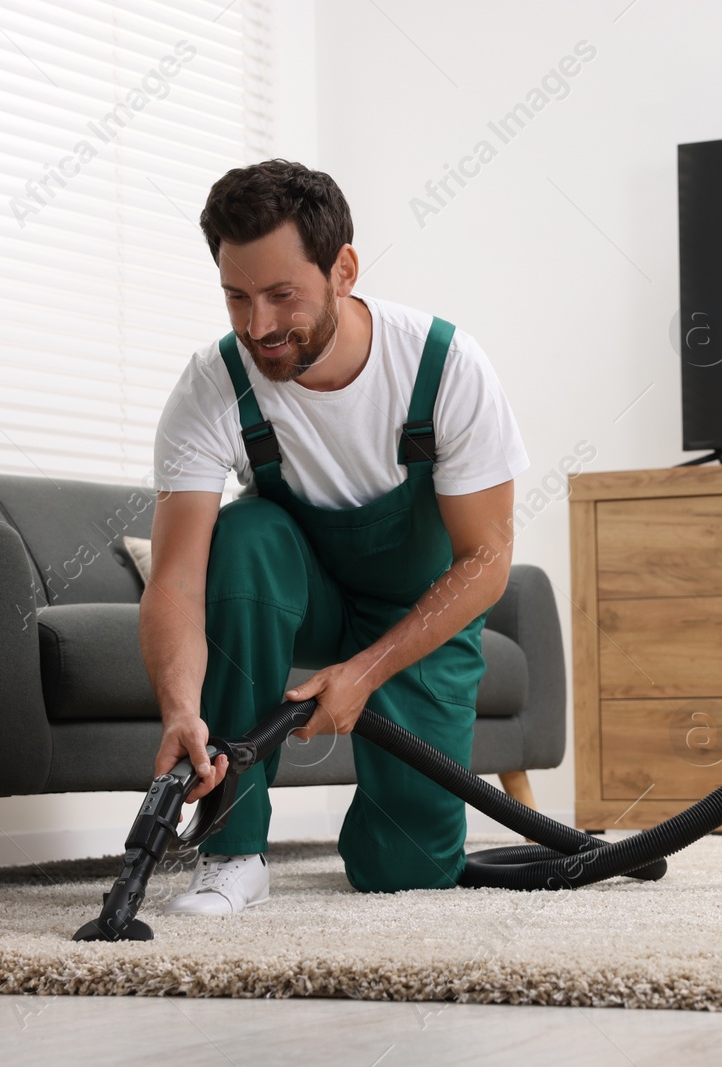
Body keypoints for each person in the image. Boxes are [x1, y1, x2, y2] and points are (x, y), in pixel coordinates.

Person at [142, 159, 529, 914]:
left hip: (416, 614)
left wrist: (367, 668)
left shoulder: (443, 367)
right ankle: (231, 849)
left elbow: (486, 559)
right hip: (304, 593)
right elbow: (179, 580)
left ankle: (400, 840)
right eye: (237, 297)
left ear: (343, 269)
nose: (259, 327)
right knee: (246, 531)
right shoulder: (212, 385)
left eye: (283, 294)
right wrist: (180, 711)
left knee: (406, 868)